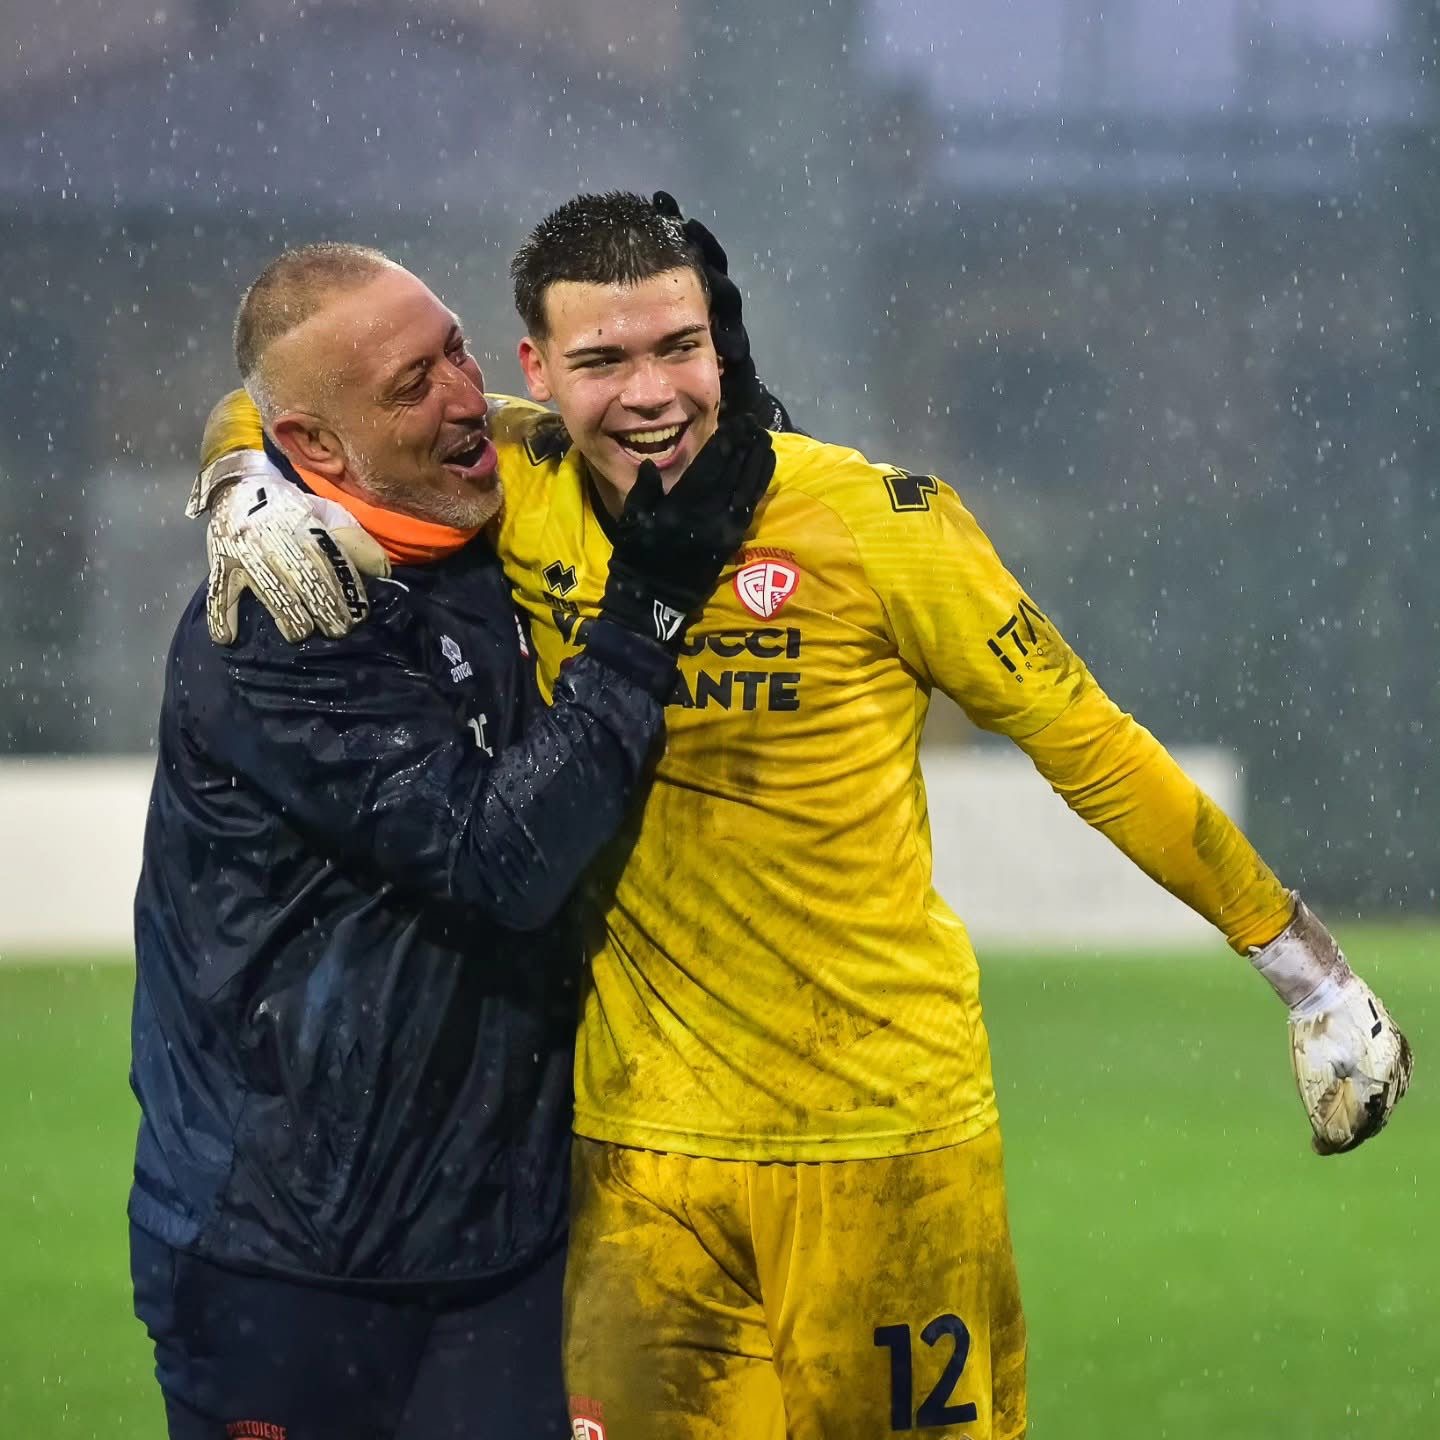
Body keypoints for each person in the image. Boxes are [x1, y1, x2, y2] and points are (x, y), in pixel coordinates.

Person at [193, 194, 1412, 1440]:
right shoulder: (521, 480)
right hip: (637, 1166)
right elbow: (291, 390)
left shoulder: (882, 524)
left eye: (678, 346)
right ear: (538, 373)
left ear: (719, 344)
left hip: (885, 1140)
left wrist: (1309, 976)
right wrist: (243, 476)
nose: (649, 394)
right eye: (603, 360)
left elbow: (1092, 746)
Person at [130, 238, 774, 1440]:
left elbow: (271, 397)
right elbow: (501, 865)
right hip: (287, 1265)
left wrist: (236, 457)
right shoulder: (283, 613)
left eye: (458, 352)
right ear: (320, 449)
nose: (467, 398)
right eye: (413, 385)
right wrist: (645, 610)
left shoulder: (492, 519)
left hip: (502, 1248)